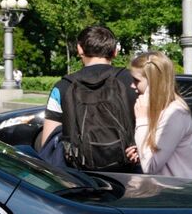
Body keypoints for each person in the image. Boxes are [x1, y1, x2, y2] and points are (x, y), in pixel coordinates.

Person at [40, 25, 138, 173]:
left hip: (79, 175)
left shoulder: (62, 87)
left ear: (79, 49)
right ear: (115, 51)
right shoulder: (134, 82)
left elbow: (48, 141)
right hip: (129, 171)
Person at [127, 52, 192, 178]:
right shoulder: (164, 109)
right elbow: (161, 152)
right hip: (169, 189)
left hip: (180, 192)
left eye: (136, 80)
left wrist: (142, 121)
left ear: (153, 82)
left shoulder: (175, 113)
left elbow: (150, 167)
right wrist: (142, 151)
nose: (132, 85)